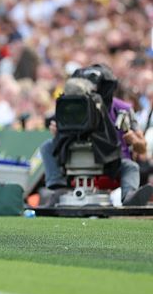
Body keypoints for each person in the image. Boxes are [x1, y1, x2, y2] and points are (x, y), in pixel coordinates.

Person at [40, 66, 151, 206]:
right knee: (47, 146)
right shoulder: (70, 106)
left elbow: (142, 149)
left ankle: (129, 196)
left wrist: (133, 139)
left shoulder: (122, 109)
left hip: (110, 160)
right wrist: (58, 134)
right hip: (74, 156)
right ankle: (59, 187)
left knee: (130, 167)